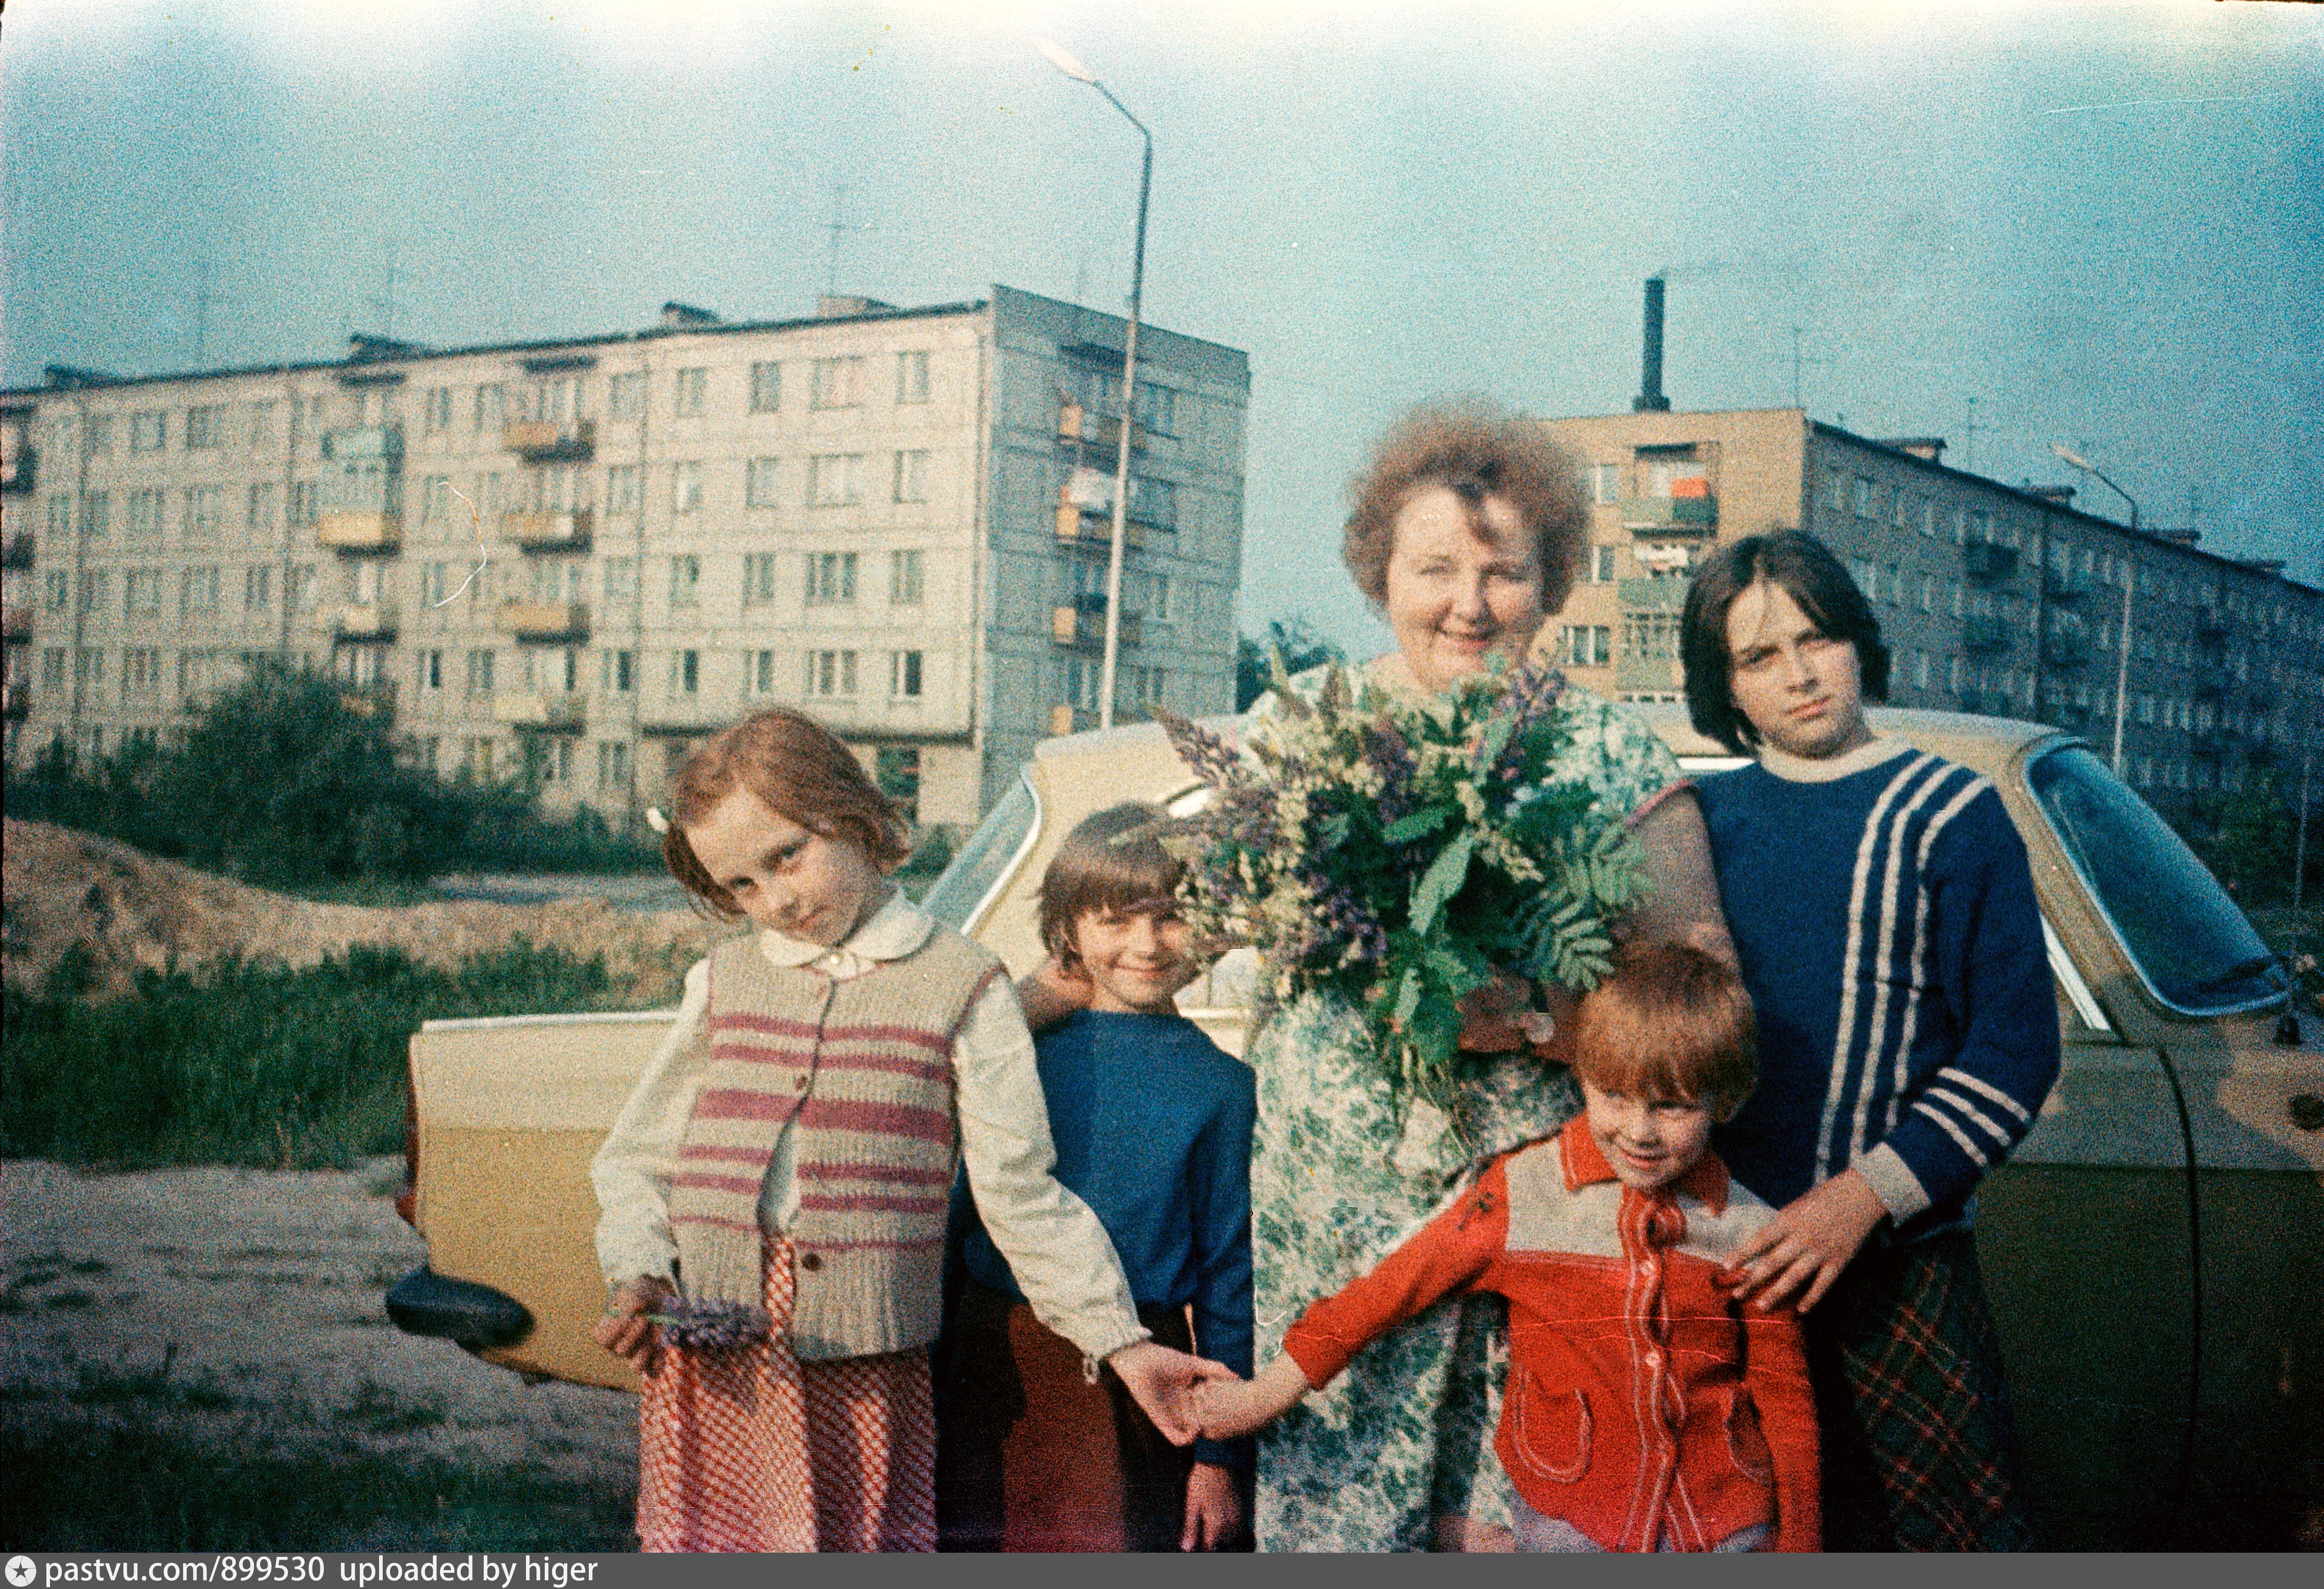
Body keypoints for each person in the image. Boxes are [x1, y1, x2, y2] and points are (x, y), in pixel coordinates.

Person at [1023, 402, 1733, 1551]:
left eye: (1503, 571)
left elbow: (1705, 995)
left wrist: (1545, 1019)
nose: (1468, 602)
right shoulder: (1304, 735)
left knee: (1512, 1512)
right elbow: (1154, 926)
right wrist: (983, 1029)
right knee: (1338, 1511)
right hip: (1329, 1213)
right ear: (1379, 573)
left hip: (1528, 1210)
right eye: (1434, 568)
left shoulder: (1610, 758)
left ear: (1551, 583)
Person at [590, 709, 1226, 1553]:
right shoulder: (724, 980)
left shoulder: (964, 985)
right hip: (713, 1361)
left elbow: (1020, 1195)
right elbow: (637, 1160)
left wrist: (1123, 1343)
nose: (775, 900)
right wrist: (637, 1272)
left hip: (863, 1371)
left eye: (787, 856)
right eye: (741, 885)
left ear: (853, 817)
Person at [1678, 530, 2061, 1550]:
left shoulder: (1953, 814)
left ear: (1859, 642)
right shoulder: (1698, 819)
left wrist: (1860, 1202)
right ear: (1724, 686)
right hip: (1719, 1269)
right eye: (1760, 657)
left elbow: (2015, 1053)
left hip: (1894, 1266)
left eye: (1819, 638)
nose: (1800, 675)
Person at [1195, 943, 1818, 1552]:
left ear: (1727, 1100)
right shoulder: (1524, 1192)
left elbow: (1785, 1399)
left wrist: (1802, 1545)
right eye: (1614, 1095)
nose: (1640, 1130)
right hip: (1573, 1520)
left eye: (1673, 1105)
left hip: (1725, 1524)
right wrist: (1267, 1393)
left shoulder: (1751, 1228)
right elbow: (1386, 1291)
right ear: (1582, 1077)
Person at [936, 801, 1256, 1552]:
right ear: (1068, 929)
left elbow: (1227, 1281)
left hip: (1141, 1382)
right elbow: (959, 1220)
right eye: (1115, 919)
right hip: (997, 1365)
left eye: (1172, 917)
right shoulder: (1020, 1052)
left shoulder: (1223, 1086)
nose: (1146, 944)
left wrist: (1218, 1457)